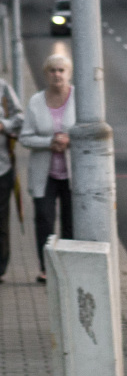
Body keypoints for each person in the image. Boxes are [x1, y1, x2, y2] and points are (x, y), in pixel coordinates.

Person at [19, 54, 74, 284]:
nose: (57, 75)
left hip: (73, 174)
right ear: (45, 74)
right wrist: (50, 142)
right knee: (44, 219)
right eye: (52, 70)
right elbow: (25, 137)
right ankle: (46, 268)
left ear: (68, 73)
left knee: (71, 221)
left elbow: (89, 130)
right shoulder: (36, 102)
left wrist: (69, 140)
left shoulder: (79, 98)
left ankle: (71, 266)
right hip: (45, 173)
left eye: (61, 70)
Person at [0, 75, 24, 283]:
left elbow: (20, 117)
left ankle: (0, 267)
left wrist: (3, 125)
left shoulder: (2, 87)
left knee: (1, 220)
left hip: (2, 166)